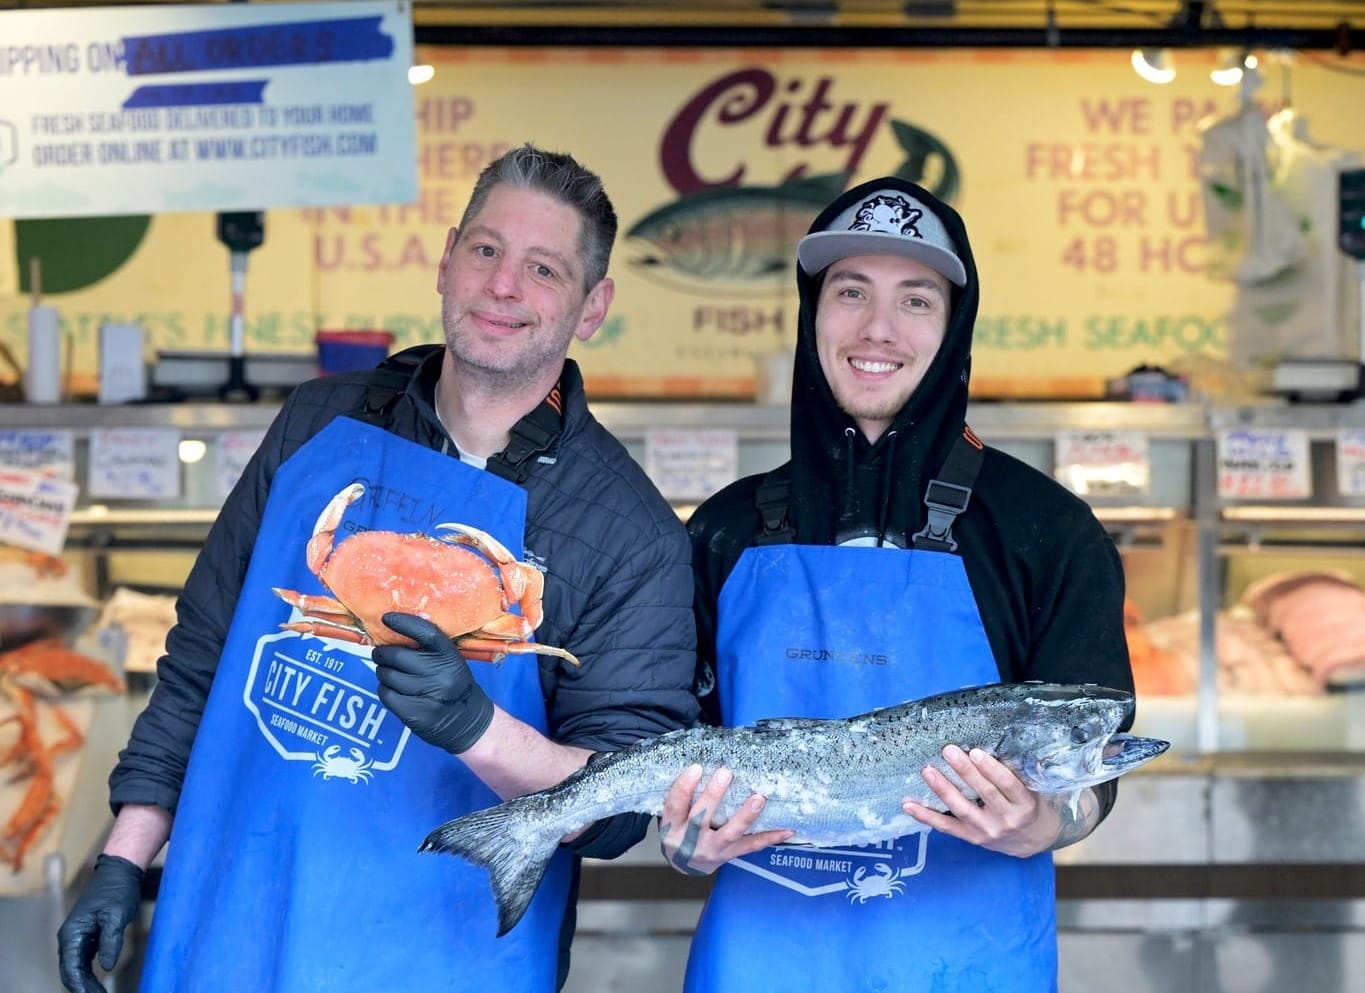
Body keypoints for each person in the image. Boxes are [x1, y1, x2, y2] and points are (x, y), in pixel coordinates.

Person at [57, 144, 699, 993]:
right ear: (445, 260)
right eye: (485, 250)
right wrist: (123, 856)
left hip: (441, 951)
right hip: (239, 919)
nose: (503, 285)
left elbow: (624, 800)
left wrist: (477, 726)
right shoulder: (319, 423)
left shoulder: (627, 529)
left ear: (592, 306)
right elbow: (204, 655)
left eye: (543, 268)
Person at [658, 176, 1134, 992]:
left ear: (953, 328)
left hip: (965, 966)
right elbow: (669, 746)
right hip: (758, 966)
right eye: (849, 292)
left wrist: (1045, 823)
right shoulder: (724, 528)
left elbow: (1095, 769)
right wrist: (678, 843)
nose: (876, 328)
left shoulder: (1045, 532)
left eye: (915, 300)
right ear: (811, 314)